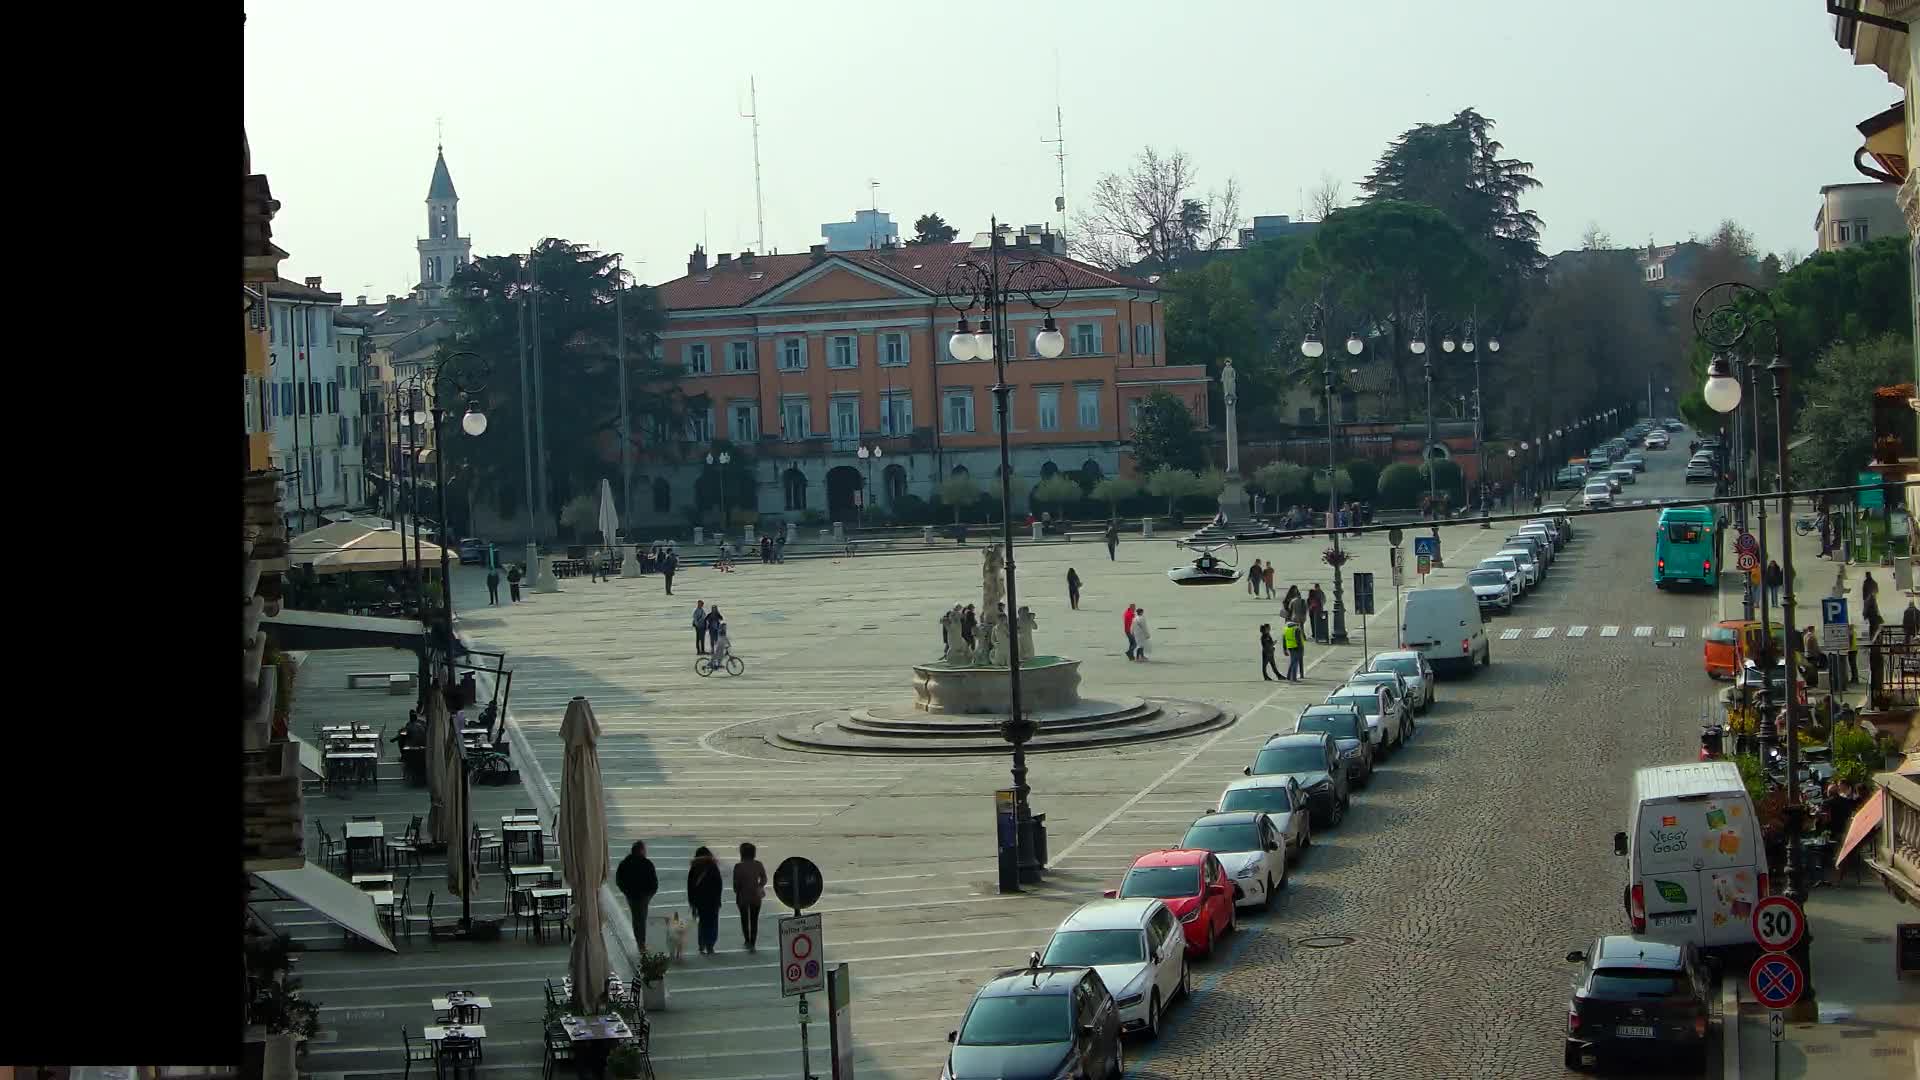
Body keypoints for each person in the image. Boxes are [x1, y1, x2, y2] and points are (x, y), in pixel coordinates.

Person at [616, 840, 659, 951]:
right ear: (641, 850)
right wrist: (650, 894)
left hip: (631, 895)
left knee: (636, 917)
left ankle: (640, 941)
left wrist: (625, 891)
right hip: (644, 896)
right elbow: (654, 881)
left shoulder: (625, 863)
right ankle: (641, 943)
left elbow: (619, 880)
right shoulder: (647, 863)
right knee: (641, 918)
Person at [686, 846, 725, 955]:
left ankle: (701, 944)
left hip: (700, 901)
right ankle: (710, 945)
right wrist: (718, 900)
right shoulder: (713, 867)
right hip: (712, 901)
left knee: (702, 922)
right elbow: (719, 884)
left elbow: (690, 886)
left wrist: (692, 902)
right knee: (712, 923)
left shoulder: (694, 868)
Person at [732, 842, 768, 952]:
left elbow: (736, 884)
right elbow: (764, 878)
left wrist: (737, 890)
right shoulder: (758, 864)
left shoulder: (738, 866)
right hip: (755, 895)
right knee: (754, 919)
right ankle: (753, 942)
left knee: (744, 918)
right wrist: (759, 885)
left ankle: (747, 940)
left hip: (743, 895)